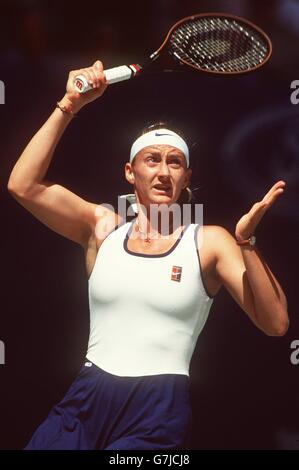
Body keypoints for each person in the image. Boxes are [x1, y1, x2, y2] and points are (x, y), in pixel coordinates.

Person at [7, 60, 289, 450]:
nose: (163, 171)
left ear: (186, 178)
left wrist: (247, 244)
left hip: (157, 410)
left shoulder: (210, 241)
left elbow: (275, 323)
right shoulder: (102, 227)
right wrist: (69, 103)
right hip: (85, 400)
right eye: (151, 160)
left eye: (175, 162)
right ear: (130, 171)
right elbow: (23, 185)